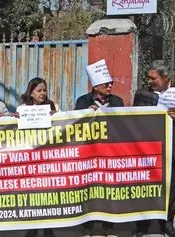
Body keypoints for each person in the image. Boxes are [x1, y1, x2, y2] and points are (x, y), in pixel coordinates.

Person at [133, 60, 175, 237]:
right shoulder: (142, 94)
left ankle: (167, 225)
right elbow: (133, 116)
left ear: (166, 78)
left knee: (170, 191)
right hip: (148, 151)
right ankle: (142, 226)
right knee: (145, 189)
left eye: (154, 78)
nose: (150, 81)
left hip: (172, 151)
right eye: (149, 78)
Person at [75, 60, 123, 237]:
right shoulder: (82, 101)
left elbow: (124, 123)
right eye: (106, 84)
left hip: (110, 152)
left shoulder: (117, 101)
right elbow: (76, 125)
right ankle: (86, 224)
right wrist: (85, 113)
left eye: (111, 83)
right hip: (89, 153)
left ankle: (107, 224)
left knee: (107, 187)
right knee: (88, 187)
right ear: (95, 86)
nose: (110, 86)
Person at [21, 77, 57, 237]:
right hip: (31, 159)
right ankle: (33, 229)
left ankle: (49, 228)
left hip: (48, 157)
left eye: (44, 90)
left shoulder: (53, 106)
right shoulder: (23, 108)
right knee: (33, 195)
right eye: (39, 90)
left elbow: (64, 124)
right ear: (31, 92)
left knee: (47, 194)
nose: (42, 93)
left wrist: (56, 117)